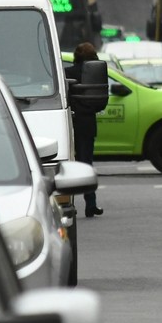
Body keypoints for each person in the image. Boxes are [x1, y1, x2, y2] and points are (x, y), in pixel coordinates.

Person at [65, 42, 104, 218]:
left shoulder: (67, 73)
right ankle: (91, 204)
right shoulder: (95, 74)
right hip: (87, 122)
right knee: (87, 163)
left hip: (69, 121)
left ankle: (67, 203)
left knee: (67, 165)